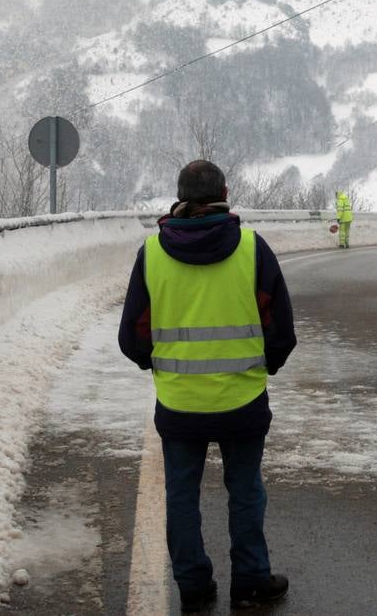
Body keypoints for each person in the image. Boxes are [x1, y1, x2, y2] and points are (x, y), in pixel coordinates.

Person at [119, 160, 296, 612]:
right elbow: (280, 329)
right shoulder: (253, 249)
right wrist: (265, 366)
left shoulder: (152, 254)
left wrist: (161, 367)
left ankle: (194, 588)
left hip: (179, 404)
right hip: (243, 399)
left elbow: (132, 336)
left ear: (179, 197)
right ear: (225, 193)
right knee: (246, 491)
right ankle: (251, 582)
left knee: (181, 496)